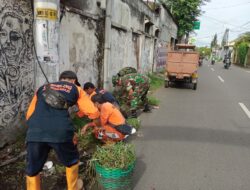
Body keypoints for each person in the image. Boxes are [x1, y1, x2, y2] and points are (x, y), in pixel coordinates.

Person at [25, 71, 99, 190]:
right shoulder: (76, 88)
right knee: (71, 161)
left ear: (60, 79)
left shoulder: (42, 88)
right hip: (61, 131)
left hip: (35, 131)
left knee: (33, 168)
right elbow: (93, 112)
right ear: (74, 81)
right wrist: (96, 123)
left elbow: (29, 115)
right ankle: (73, 188)